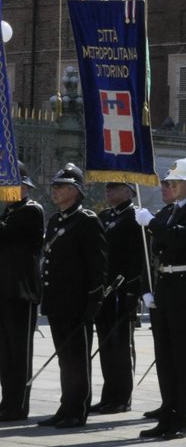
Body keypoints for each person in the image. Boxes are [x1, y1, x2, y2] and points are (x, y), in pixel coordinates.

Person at [136, 158, 186, 439]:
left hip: (184, 283)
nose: (170, 186)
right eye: (169, 182)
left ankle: (183, 417)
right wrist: (148, 287)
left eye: (175, 182)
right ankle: (168, 411)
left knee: (182, 354)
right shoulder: (170, 211)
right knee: (164, 353)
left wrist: (153, 223)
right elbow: (157, 250)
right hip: (165, 283)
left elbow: (181, 239)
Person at [39, 165, 105, 428]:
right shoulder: (57, 220)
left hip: (77, 301)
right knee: (65, 358)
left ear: (75, 191)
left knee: (77, 358)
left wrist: (94, 299)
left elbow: (97, 265)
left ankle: (77, 410)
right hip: (57, 300)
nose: (54, 191)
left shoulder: (87, 220)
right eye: (54, 186)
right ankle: (66, 406)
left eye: (61, 187)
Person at [91, 179, 146, 415]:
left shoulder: (135, 217)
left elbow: (139, 257)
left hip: (123, 289)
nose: (108, 190)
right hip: (105, 289)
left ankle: (122, 397)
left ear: (128, 191)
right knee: (106, 344)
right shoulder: (104, 216)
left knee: (122, 345)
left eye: (114, 187)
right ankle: (109, 395)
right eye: (108, 187)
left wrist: (134, 289)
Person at [0, 165, 45, 422]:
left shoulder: (31, 210)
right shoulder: (10, 211)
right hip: (5, 290)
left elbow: (4, 233)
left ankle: (18, 405)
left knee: (19, 352)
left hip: (21, 292)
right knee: (5, 354)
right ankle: (8, 401)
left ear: (24, 187)